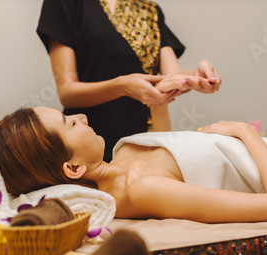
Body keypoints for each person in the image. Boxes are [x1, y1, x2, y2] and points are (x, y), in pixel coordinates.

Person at [0, 107, 267, 223]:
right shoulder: (141, 190)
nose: (82, 117)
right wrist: (244, 131)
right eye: (71, 124)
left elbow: (178, 149)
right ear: (72, 169)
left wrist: (162, 93)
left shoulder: (121, 153)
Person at [36, 0, 222, 161]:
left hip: (148, 138)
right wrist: (122, 86)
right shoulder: (66, 3)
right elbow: (68, 93)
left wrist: (197, 77)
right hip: (93, 143)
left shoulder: (149, 11)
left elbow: (172, 78)